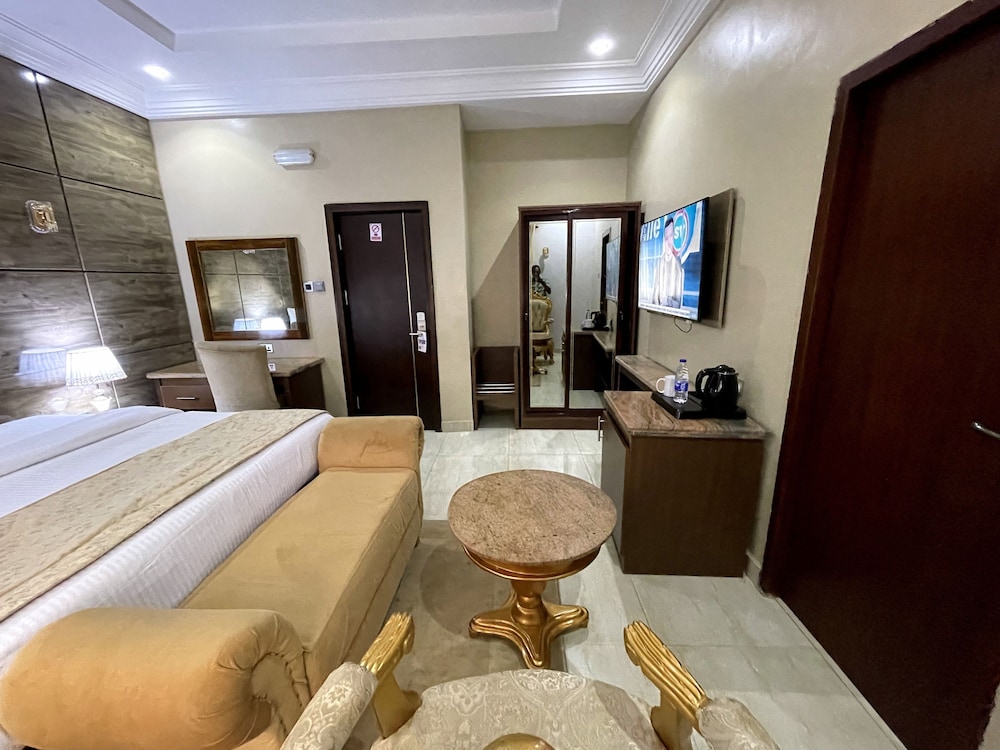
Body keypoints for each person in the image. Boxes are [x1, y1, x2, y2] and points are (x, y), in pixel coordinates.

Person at [651, 217, 684, 308]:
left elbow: (678, 304)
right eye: (666, 237)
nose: (668, 241)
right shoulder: (659, 264)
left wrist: (667, 301)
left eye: (671, 236)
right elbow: (654, 296)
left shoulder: (678, 266)